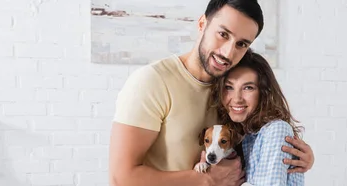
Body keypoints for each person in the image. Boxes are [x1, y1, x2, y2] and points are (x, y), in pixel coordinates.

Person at [108, 0, 315, 186]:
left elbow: (259, 143)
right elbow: (121, 177)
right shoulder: (152, 81)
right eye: (223, 34)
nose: (228, 53)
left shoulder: (232, 94)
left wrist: (301, 158)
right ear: (202, 24)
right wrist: (205, 180)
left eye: (241, 44)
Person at [208, 51, 305, 185]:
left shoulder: (276, 130)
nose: (237, 99)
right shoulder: (244, 135)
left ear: (263, 92)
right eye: (229, 87)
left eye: (248, 88)